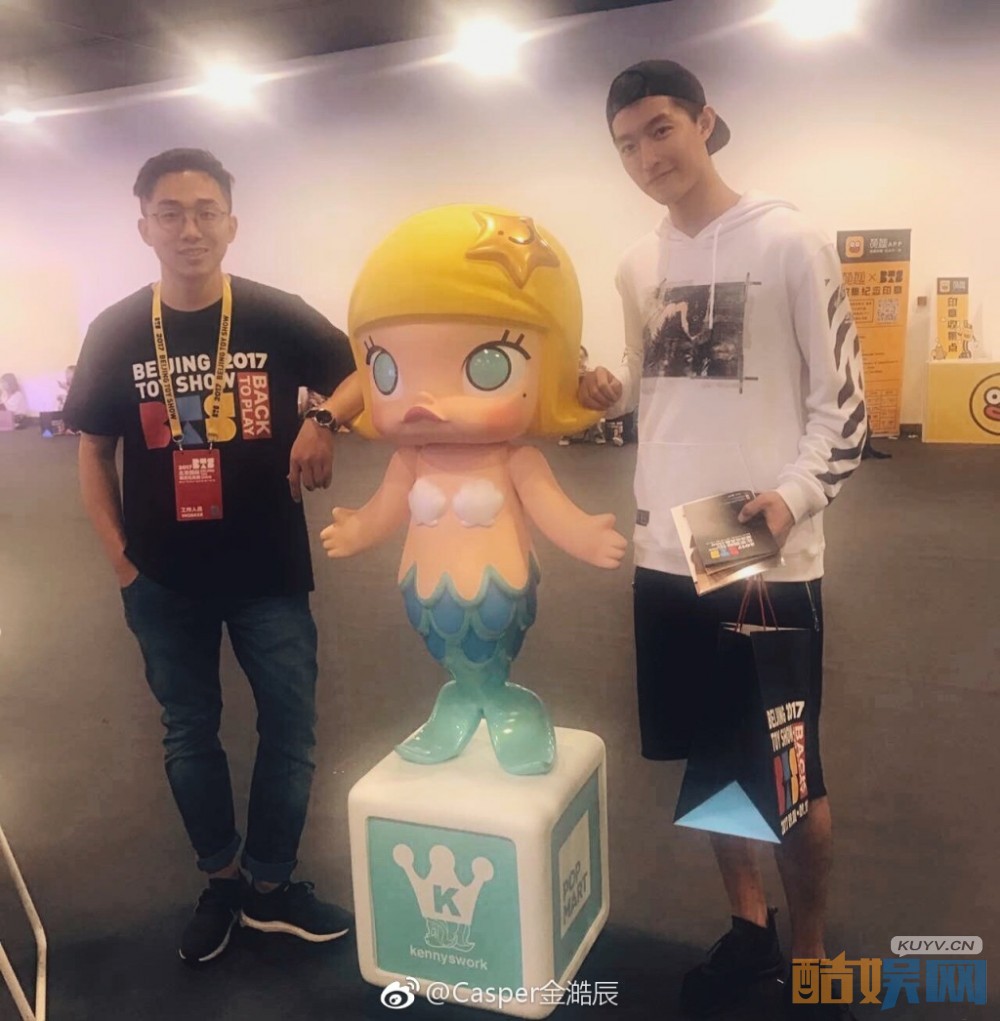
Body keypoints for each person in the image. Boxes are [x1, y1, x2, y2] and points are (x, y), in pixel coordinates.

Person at [579, 62, 866, 1020]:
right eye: (626, 144)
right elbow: (645, 381)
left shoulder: (789, 240)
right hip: (669, 549)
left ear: (704, 122)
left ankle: (811, 947)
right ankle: (748, 928)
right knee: (711, 759)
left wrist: (792, 498)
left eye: (660, 129)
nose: (645, 156)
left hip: (758, 550)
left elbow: (844, 407)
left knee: (791, 772)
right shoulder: (637, 263)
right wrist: (607, 394)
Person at [63, 148, 363, 967]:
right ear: (145, 227)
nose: (189, 228)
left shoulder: (273, 313)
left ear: (232, 223)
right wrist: (122, 560)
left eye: (205, 212)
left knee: (290, 729)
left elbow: (360, 375)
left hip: (269, 569)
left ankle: (271, 884)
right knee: (188, 732)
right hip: (162, 576)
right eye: (170, 212)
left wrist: (323, 420)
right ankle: (222, 881)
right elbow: (92, 450)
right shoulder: (117, 329)